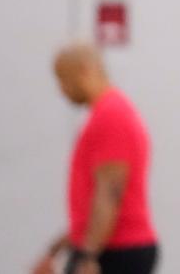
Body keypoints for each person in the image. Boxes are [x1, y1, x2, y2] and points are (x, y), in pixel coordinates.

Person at [32, 43, 159, 274]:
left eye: (63, 79)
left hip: (117, 250)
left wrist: (89, 257)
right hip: (108, 247)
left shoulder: (112, 115)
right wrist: (56, 249)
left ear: (84, 70)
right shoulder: (106, 113)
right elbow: (93, 204)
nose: (61, 90)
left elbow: (110, 193)